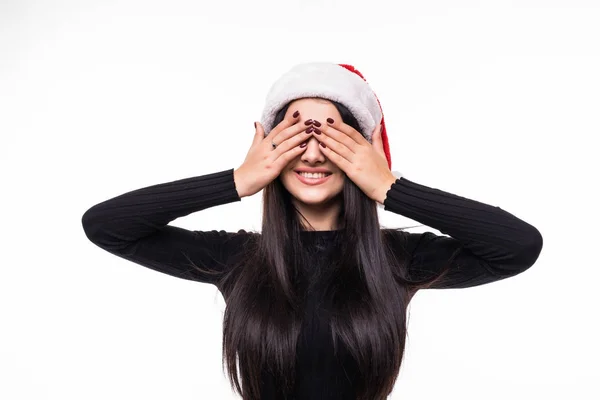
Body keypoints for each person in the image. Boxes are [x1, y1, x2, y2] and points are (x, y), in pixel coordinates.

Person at [81, 62, 543, 400]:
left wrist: (389, 188)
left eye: (332, 138)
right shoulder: (238, 260)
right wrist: (237, 180)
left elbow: (517, 246)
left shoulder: (396, 259)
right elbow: (108, 226)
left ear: (360, 153)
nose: (314, 155)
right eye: (297, 137)